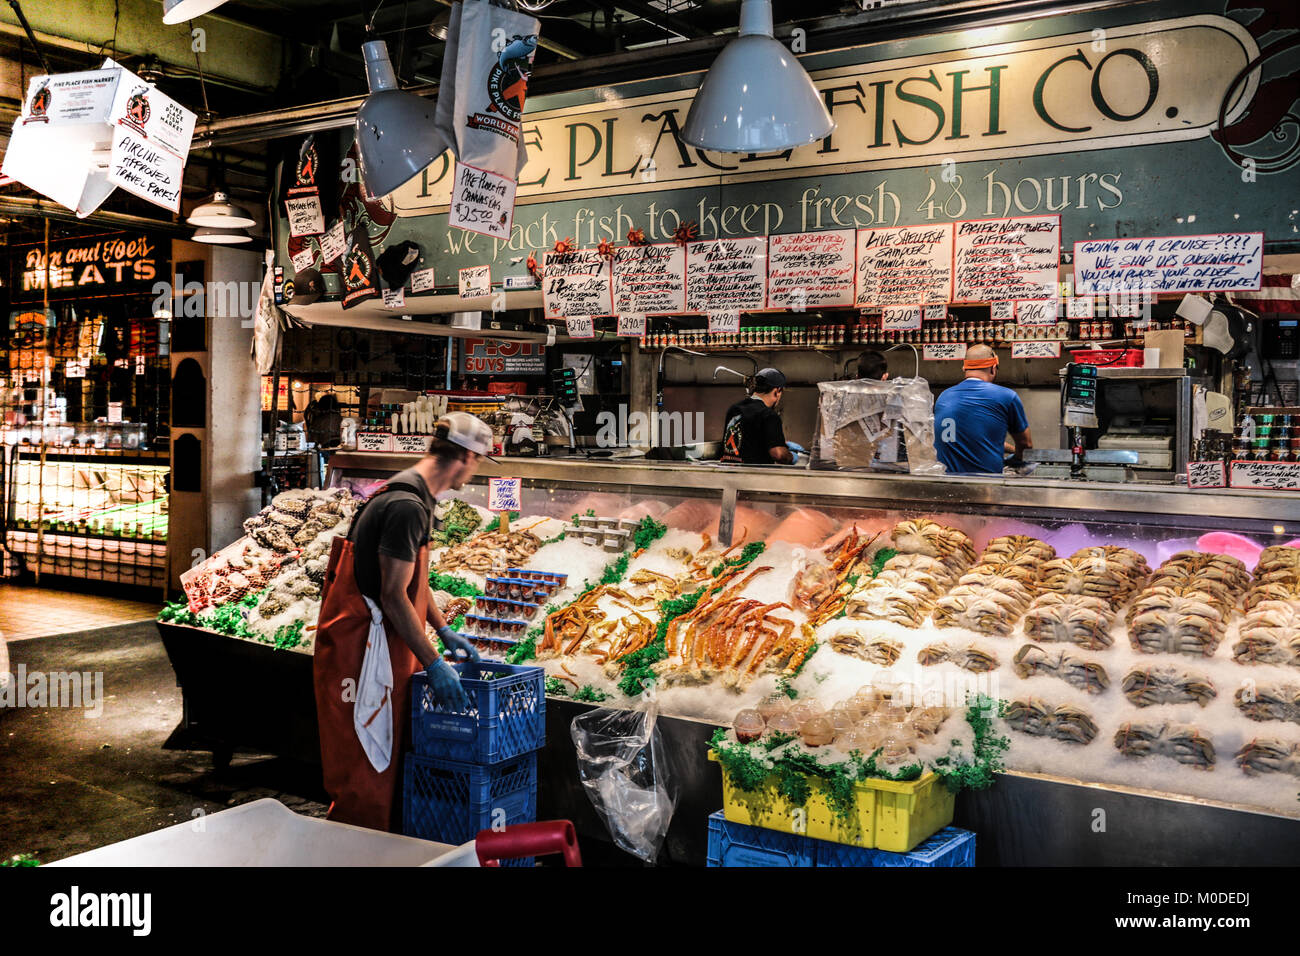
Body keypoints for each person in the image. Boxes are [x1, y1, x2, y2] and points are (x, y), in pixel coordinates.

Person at [313, 411, 493, 831]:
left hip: (377, 645)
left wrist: (442, 628)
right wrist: (434, 663)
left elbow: (412, 582)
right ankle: (354, 852)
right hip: (359, 651)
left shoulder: (413, 493)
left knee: (382, 762)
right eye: (478, 461)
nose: (476, 470)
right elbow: (393, 596)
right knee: (362, 769)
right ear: (466, 457)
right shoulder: (407, 506)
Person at [933, 344, 1032, 474]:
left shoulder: (944, 396)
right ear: (993, 368)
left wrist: (1011, 449)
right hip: (985, 483)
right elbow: (1026, 445)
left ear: (964, 368)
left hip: (946, 482)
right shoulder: (1006, 396)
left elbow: (974, 438)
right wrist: (1016, 459)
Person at [720, 368, 793, 465]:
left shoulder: (734, 409)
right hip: (754, 473)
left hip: (729, 470)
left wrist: (778, 443)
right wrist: (791, 456)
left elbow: (748, 439)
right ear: (777, 391)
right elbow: (778, 454)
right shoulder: (769, 415)